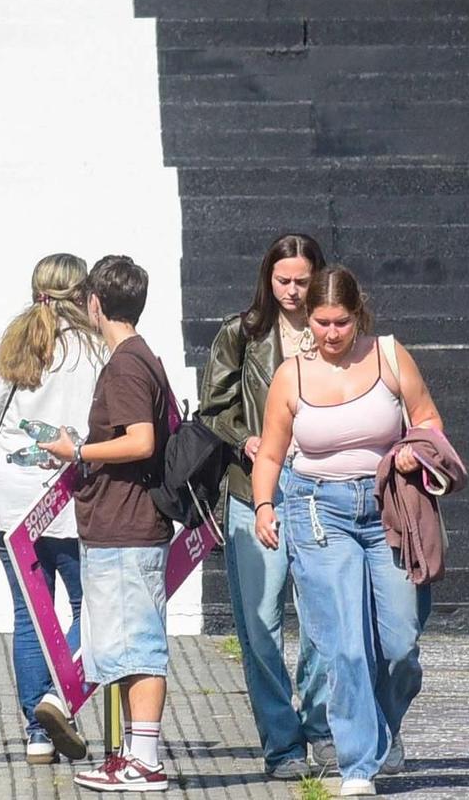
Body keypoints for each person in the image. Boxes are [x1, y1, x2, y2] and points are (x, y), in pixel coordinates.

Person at [249, 267, 443, 798]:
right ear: (308, 318)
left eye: (341, 322)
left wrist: (413, 448)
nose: (331, 334)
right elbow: (271, 453)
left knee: (400, 644)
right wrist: (264, 506)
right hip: (318, 511)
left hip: (388, 508)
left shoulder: (389, 356)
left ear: (359, 315)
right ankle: (358, 764)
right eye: (321, 322)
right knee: (346, 645)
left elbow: (428, 419)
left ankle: (381, 726)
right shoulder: (291, 376)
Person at [37, 255, 175, 794]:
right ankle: (131, 755)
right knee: (123, 647)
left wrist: (78, 451)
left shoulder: (125, 365)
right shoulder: (142, 358)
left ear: (95, 304)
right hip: (123, 523)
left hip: (127, 525)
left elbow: (141, 440)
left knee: (138, 646)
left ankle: (145, 760)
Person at [196, 233, 332, 780]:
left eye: (302, 281)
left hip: (321, 487)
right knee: (260, 624)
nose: (292, 291)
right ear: (267, 278)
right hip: (252, 486)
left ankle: (320, 725)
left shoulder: (333, 330)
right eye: (283, 281)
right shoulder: (242, 332)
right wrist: (245, 438)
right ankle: (282, 744)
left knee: (323, 615)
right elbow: (213, 408)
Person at [0, 253, 105, 763]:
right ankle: (58, 698)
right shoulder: (96, 351)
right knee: (93, 607)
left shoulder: (13, 343)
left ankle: (37, 733)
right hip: (69, 500)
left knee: (29, 615)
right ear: (83, 293)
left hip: (7, 500)